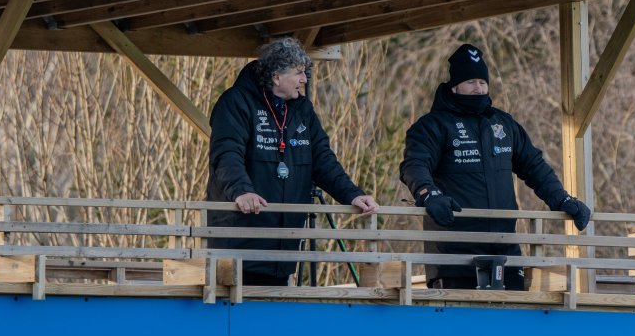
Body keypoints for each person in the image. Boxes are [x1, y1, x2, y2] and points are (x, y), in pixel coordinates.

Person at [399, 43, 590, 291]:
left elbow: (533, 165)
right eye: (470, 82)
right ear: (454, 85)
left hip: (504, 248)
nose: (478, 88)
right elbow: (414, 164)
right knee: (461, 327)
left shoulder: (503, 123)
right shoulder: (433, 125)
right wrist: (428, 194)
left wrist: (562, 199)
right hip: (454, 251)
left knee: (511, 324)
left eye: (482, 81)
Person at [207, 37, 378, 285]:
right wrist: (242, 192)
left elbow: (323, 160)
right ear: (276, 76)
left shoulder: (302, 110)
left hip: (283, 248)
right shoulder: (235, 103)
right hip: (239, 244)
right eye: (299, 73)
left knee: (276, 317)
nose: (304, 79)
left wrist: (352, 195)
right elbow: (226, 155)